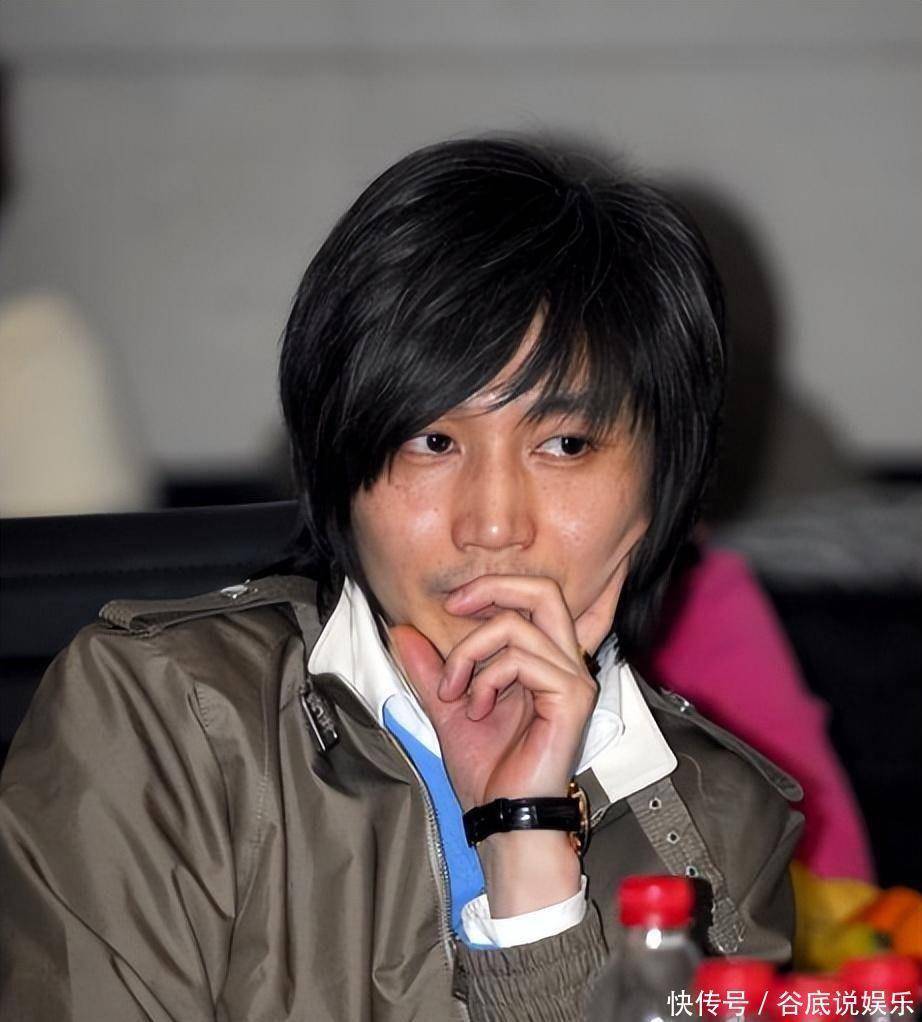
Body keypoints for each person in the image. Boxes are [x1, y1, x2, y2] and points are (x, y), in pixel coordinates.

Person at [0, 137, 804, 1022]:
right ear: (341, 464)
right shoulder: (162, 718)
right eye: (433, 441)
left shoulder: (719, 827)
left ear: (663, 488)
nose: (492, 523)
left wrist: (526, 851)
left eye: (566, 444)